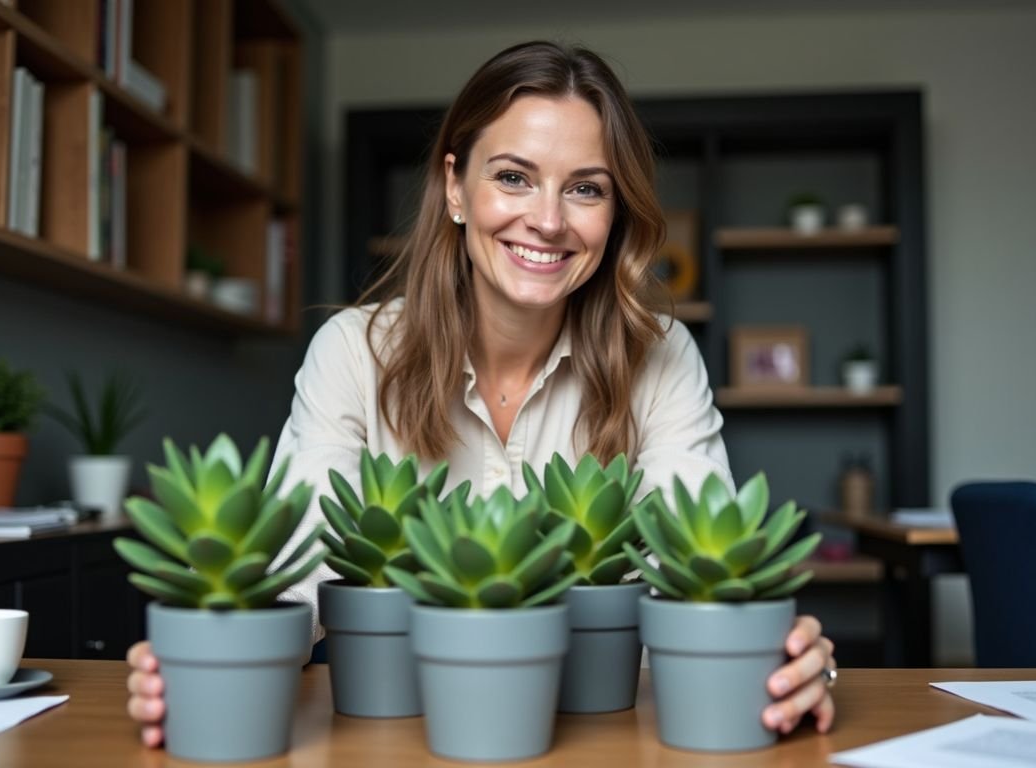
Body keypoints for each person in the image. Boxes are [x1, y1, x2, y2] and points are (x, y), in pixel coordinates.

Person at [127, 39, 837, 746]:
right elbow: (295, 584)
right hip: (400, 743)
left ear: (616, 214)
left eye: (586, 188)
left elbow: (699, 581)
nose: (550, 220)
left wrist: (784, 660)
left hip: (610, 743)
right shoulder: (351, 352)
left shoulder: (661, 356)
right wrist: (203, 653)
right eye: (514, 177)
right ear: (455, 188)